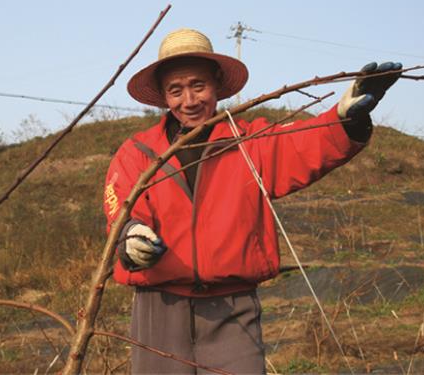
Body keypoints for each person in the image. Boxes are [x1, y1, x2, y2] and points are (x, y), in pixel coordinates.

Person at [103, 28, 401, 374]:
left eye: (198, 86)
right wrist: (131, 235)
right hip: (159, 307)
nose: (189, 100)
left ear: (216, 84)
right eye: (176, 90)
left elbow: (303, 145)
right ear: (163, 97)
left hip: (233, 307)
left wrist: (344, 119)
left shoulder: (250, 142)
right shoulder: (137, 152)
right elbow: (121, 210)